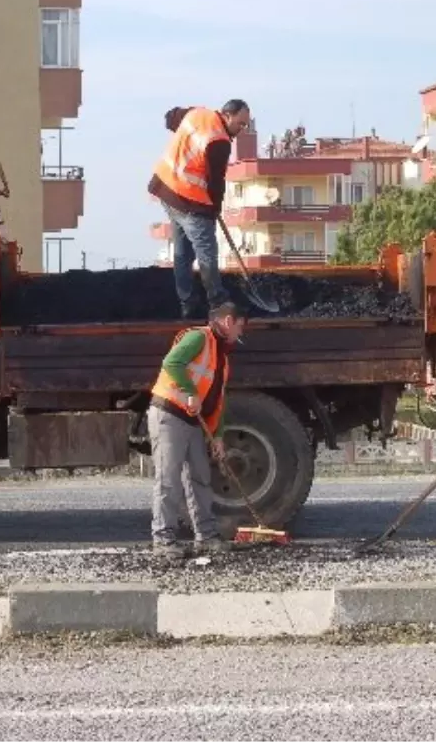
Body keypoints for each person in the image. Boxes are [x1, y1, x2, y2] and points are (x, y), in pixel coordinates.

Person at [148, 301, 247, 561]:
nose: (240, 334)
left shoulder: (221, 358)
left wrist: (217, 436)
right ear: (227, 321)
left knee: (200, 478)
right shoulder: (198, 337)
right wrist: (190, 393)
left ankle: (206, 536)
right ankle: (163, 539)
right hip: (170, 415)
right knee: (168, 479)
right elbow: (171, 362)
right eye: (239, 327)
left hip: (192, 421)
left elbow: (218, 401)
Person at [148, 100, 252, 319]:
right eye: (240, 124)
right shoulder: (220, 142)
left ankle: (187, 303)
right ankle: (218, 301)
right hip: (188, 199)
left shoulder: (196, 114)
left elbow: (170, 117)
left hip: (166, 189)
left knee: (182, 253)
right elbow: (216, 182)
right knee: (207, 253)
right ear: (227, 115)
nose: (242, 130)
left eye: (246, 126)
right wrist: (214, 210)